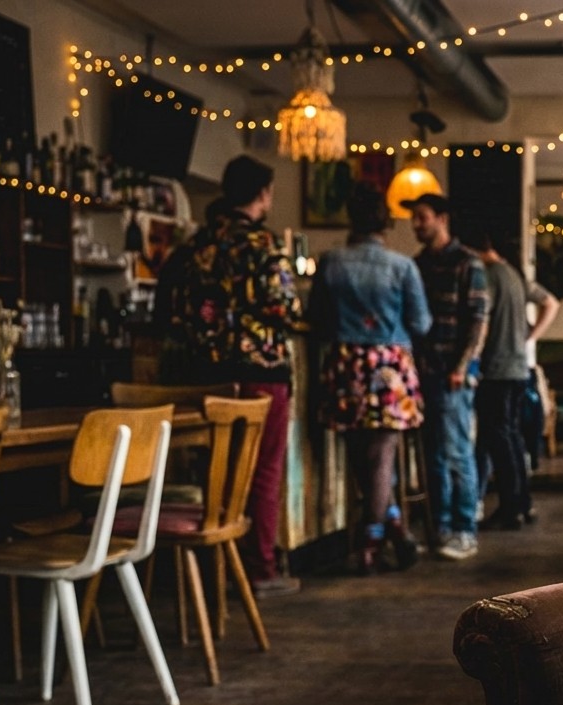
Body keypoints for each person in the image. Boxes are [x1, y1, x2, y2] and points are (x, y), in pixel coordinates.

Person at [160, 154, 303, 598]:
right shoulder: (262, 246)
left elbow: (173, 309)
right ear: (263, 194)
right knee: (261, 473)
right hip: (260, 374)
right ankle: (258, 570)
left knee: (215, 471)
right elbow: (288, 309)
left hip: (205, 376)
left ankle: (212, 568)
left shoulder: (195, 246)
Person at [309, 182, 432, 574]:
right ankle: (372, 540)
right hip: (388, 367)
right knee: (381, 455)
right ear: (384, 224)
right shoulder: (402, 266)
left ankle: (392, 523)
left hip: (345, 364)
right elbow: (421, 323)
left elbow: (317, 321)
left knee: (361, 454)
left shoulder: (330, 262)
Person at [403, 192, 488, 561]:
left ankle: (465, 529)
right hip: (424, 373)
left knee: (456, 453)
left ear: (442, 218)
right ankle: (441, 528)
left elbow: (478, 321)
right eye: (414, 218)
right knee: (433, 456)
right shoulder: (417, 264)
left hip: (454, 374)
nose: (416, 224)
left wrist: (461, 367)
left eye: (422, 217)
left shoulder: (469, 262)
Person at [460, 225, 560, 531]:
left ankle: (510, 508)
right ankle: (522, 504)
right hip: (519, 368)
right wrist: (529, 337)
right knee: (512, 438)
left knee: (498, 439)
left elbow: (483, 321)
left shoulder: (487, 275)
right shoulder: (514, 274)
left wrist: (470, 360)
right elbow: (551, 303)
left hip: (497, 369)